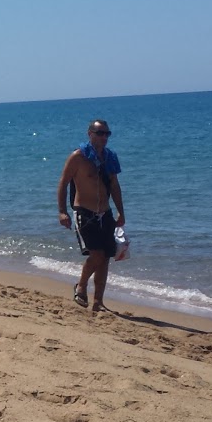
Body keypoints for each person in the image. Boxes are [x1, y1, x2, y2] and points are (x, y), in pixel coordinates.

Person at [56, 120, 125, 312]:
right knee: (96, 255)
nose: (104, 137)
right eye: (100, 133)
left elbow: (114, 186)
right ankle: (81, 285)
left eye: (107, 134)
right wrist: (62, 211)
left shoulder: (110, 157)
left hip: (106, 213)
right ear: (90, 134)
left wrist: (121, 211)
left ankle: (98, 302)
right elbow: (63, 183)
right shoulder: (78, 157)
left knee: (105, 258)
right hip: (84, 212)